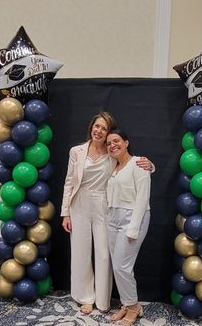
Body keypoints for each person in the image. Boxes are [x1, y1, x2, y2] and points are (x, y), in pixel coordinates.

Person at [61, 112, 152, 314]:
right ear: (91, 127)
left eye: (104, 128)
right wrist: (65, 212)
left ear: (109, 132)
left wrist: (150, 166)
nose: (99, 131)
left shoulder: (113, 153)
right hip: (79, 204)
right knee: (80, 253)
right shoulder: (76, 151)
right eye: (96, 126)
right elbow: (69, 182)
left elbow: (132, 166)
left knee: (104, 255)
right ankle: (85, 297)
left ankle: (103, 301)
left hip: (105, 205)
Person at [105, 129, 151, 326]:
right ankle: (126, 304)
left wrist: (133, 228)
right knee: (118, 266)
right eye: (109, 143)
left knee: (121, 266)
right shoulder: (113, 167)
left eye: (116, 141)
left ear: (126, 142)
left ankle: (133, 307)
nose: (112, 145)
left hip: (133, 217)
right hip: (112, 218)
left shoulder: (139, 163)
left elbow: (142, 198)